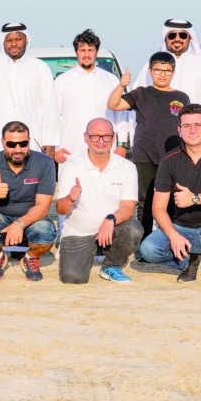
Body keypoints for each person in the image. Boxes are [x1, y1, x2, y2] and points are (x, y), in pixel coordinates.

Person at [138, 105, 201, 290]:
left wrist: (194, 198)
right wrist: (173, 236)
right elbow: (158, 208)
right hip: (183, 230)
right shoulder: (169, 160)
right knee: (148, 249)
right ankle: (188, 261)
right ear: (179, 130)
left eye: (198, 125)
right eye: (186, 126)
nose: (192, 130)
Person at [108, 51, 190, 236]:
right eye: (158, 70)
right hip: (144, 155)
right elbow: (113, 104)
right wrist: (122, 85)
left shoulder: (182, 97)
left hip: (173, 157)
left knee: (170, 200)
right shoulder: (140, 94)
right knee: (144, 200)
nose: (162, 74)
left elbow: (188, 126)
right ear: (150, 71)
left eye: (167, 71)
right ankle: (144, 244)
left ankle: (166, 239)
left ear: (173, 72)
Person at [55, 118, 142, 284]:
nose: (101, 141)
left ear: (113, 137)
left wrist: (110, 219)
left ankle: (111, 266)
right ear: (85, 137)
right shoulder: (71, 167)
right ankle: (86, 255)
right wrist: (70, 198)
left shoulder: (127, 167)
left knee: (133, 229)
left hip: (112, 230)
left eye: (106, 136)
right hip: (78, 233)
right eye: (95, 136)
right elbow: (60, 209)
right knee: (72, 279)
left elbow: (128, 207)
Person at [0, 121, 57, 282]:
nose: (18, 149)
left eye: (23, 143)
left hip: (32, 217)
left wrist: (19, 224)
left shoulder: (45, 162)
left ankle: (31, 257)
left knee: (46, 234)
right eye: (12, 144)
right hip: (0, 216)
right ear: (3, 143)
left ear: (29, 141)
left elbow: (43, 206)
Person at [131, 19, 201, 144]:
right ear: (165, 38)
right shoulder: (149, 67)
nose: (177, 39)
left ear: (189, 38)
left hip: (194, 137)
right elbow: (137, 104)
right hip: (158, 139)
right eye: (172, 35)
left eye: (182, 35)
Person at [0, 22, 59, 157]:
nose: (14, 44)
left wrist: (50, 141)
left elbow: (49, 107)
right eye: (9, 40)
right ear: (3, 42)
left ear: (26, 40)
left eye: (18, 39)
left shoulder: (40, 68)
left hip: (32, 141)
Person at [52, 29, 130, 163]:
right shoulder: (62, 81)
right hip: (71, 151)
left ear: (96, 52)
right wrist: (56, 147)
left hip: (106, 150)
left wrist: (122, 144)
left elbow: (121, 115)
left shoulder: (111, 80)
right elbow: (53, 116)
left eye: (90, 50)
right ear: (76, 52)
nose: (86, 55)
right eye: (82, 50)